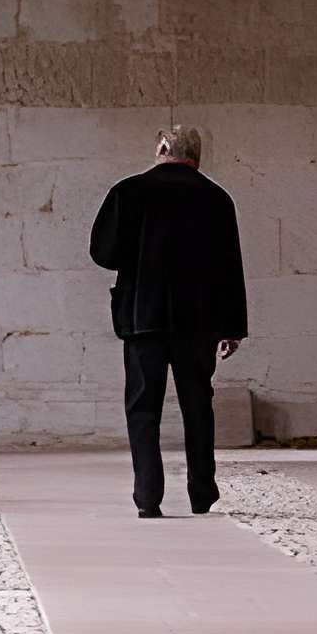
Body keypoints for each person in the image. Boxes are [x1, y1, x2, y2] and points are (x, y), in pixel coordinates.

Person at [89, 123, 248, 517]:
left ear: (159, 150)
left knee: (143, 406)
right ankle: (201, 493)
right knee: (198, 404)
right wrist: (233, 328)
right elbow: (231, 267)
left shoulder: (128, 192)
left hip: (143, 316)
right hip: (199, 321)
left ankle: (148, 496)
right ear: (197, 155)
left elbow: (103, 253)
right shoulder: (217, 198)